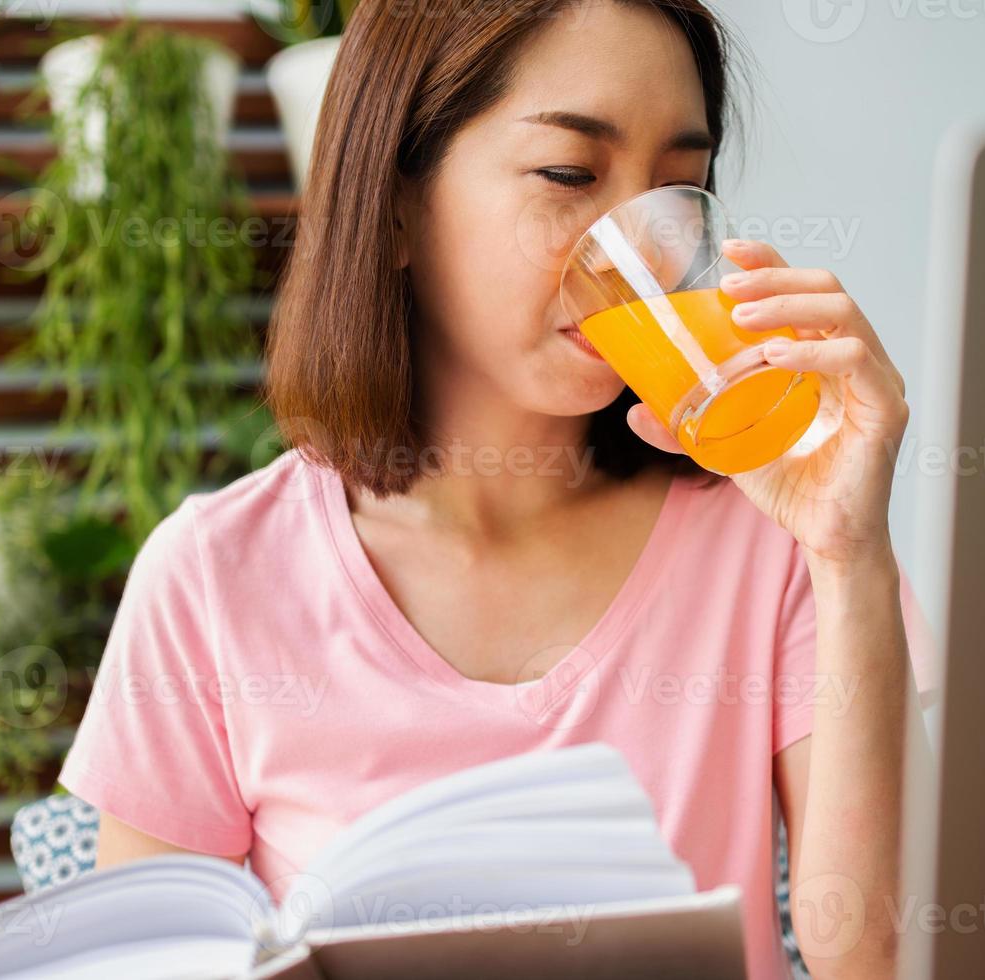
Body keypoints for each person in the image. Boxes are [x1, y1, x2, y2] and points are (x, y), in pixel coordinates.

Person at [57, 2, 937, 978]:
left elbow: (886, 959)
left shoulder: (773, 542)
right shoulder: (217, 578)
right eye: (569, 174)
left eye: (679, 188)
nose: (644, 250)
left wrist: (852, 553)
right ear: (395, 206)